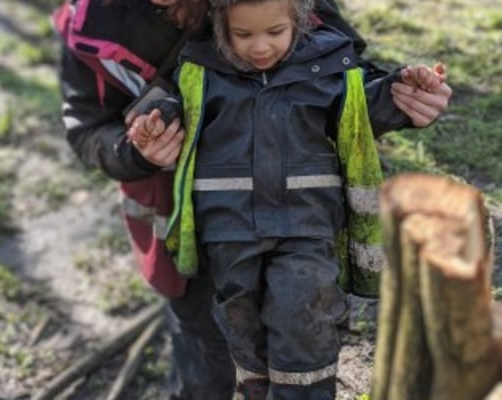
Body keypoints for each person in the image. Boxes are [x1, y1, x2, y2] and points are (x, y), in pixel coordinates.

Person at [51, 0, 452, 398]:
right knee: (208, 360)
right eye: (245, 35)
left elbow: (340, 75)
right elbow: (88, 129)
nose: (260, 46)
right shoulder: (90, 23)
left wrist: (400, 99)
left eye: (273, 33)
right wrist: (135, 150)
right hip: (188, 232)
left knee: (300, 337)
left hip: (301, 225)